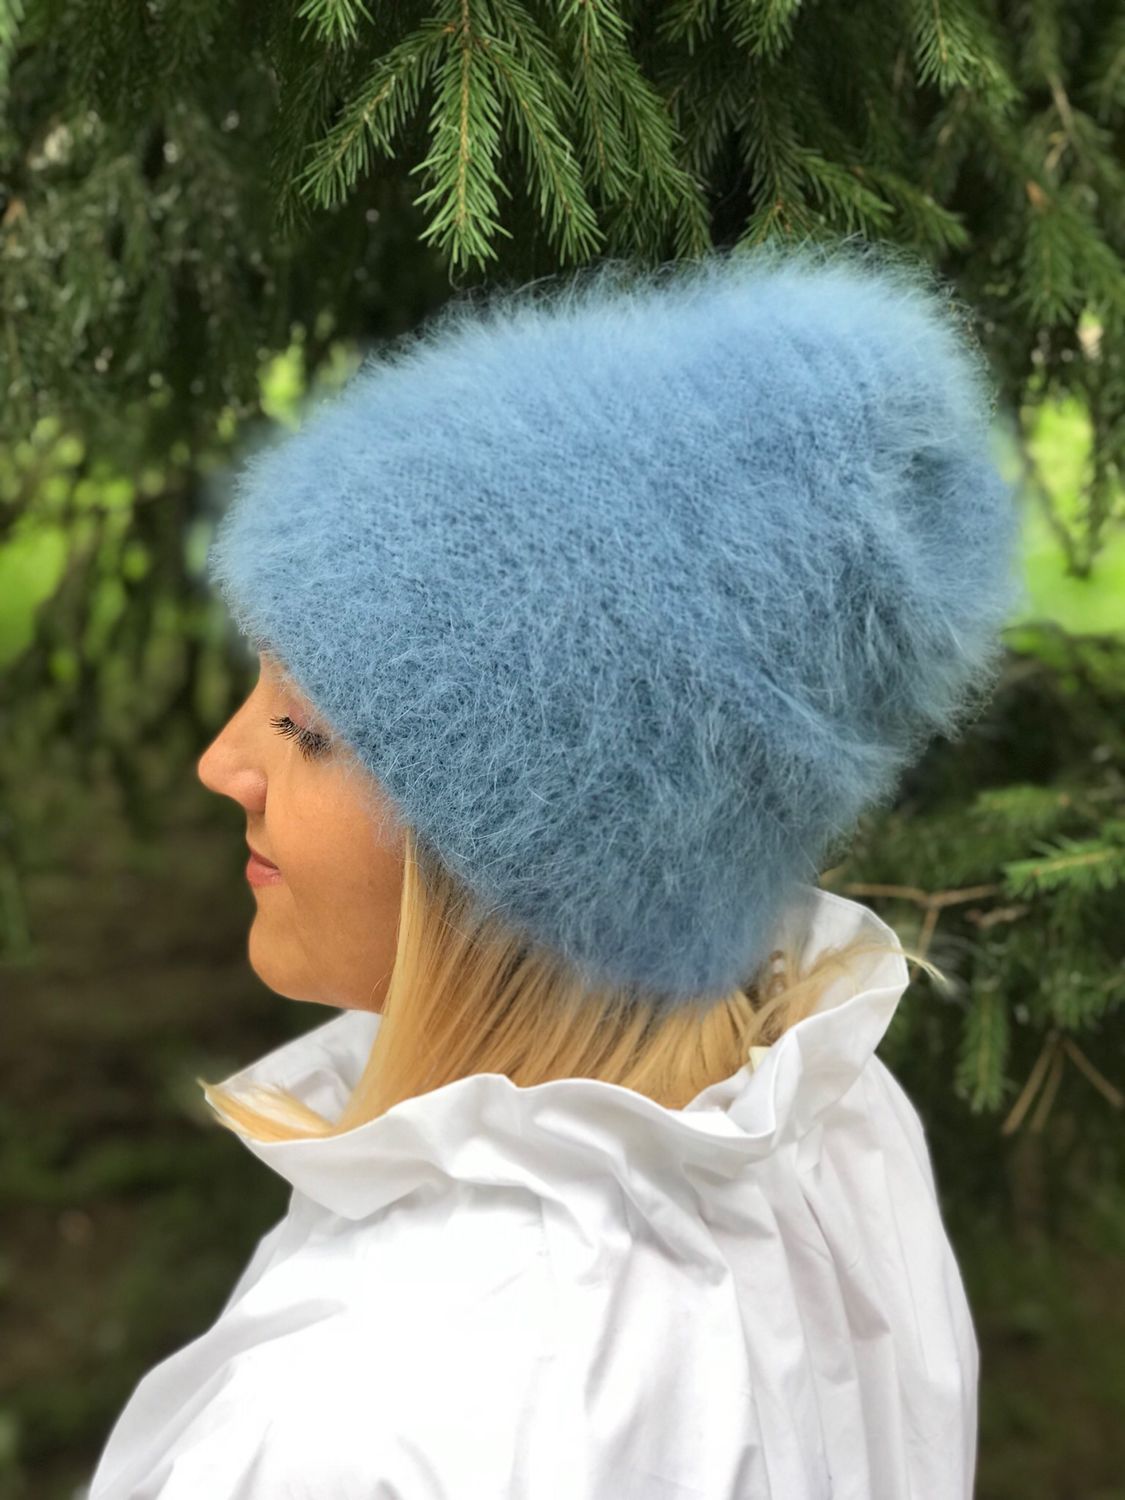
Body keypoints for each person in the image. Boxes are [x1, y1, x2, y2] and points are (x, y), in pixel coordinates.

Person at [86, 237, 1025, 1499]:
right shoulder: (832, 1137)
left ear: (534, 853)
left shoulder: (351, 1425)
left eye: (304, 727)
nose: (221, 762)